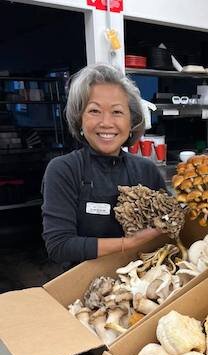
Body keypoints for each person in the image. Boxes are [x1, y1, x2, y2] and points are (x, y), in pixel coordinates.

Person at [41, 62, 166, 267]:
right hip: (80, 285)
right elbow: (59, 246)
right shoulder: (64, 170)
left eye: (117, 112)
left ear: (131, 121)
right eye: (94, 111)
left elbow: (171, 221)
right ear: (79, 119)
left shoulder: (146, 170)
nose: (106, 122)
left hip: (143, 278)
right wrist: (129, 243)